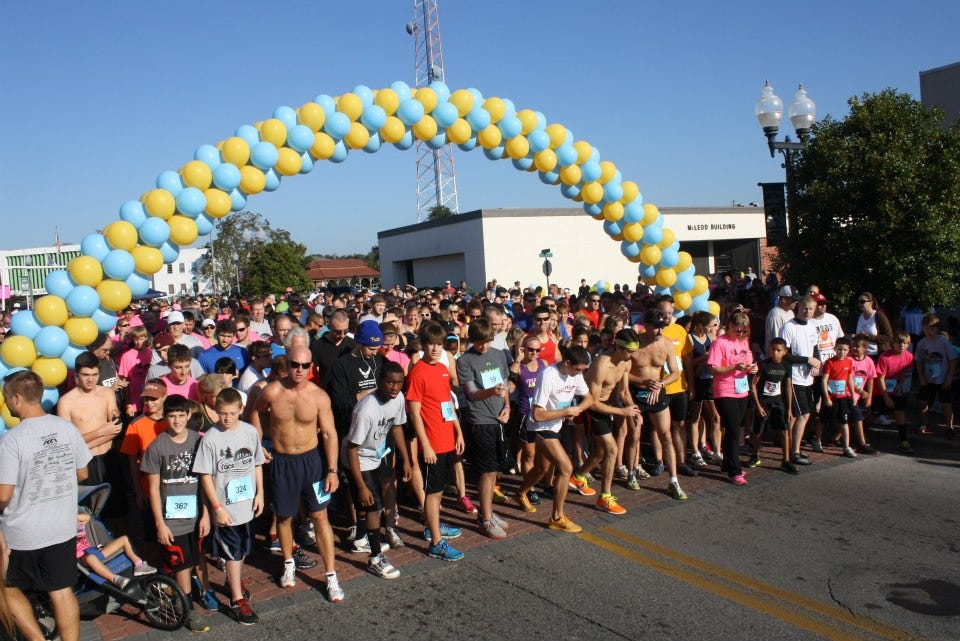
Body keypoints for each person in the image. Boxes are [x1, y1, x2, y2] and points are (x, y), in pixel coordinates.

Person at [0, 371, 92, 641]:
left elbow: (3, 495)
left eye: (7, 398)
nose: (6, 404)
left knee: (8, 589)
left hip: (23, 534)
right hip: (61, 527)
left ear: (17, 398)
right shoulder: (65, 427)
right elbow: (83, 473)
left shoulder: (12, 440)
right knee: (62, 590)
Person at [250, 346, 342, 598]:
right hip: (282, 462)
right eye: (294, 364)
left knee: (320, 516)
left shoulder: (319, 396)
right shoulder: (272, 391)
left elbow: (329, 433)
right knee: (284, 517)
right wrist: (258, 445)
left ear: (311, 367)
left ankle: (331, 575)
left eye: (304, 366)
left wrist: (332, 470)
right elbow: (255, 413)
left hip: (311, 462)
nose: (299, 370)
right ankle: (288, 564)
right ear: (287, 364)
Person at [192, 388, 265, 625]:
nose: (227, 418)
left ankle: (232, 580)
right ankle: (235, 600)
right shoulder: (210, 438)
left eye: (232, 413)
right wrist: (216, 507)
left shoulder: (250, 431)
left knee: (242, 549)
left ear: (240, 410)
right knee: (233, 552)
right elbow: (205, 475)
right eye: (222, 413)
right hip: (226, 508)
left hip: (247, 504)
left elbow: (256, 464)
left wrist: (260, 493)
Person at [140, 394, 210, 633]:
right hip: (172, 520)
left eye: (181, 415)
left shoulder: (198, 441)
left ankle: (176, 590)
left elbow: (205, 481)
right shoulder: (157, 447)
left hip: (196, 516)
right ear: (165, 417)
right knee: (181, 564)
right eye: (172, 416)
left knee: (192, 560)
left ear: (189, 415)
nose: (177, 421)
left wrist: (206, 514)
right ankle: (188, 610)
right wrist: (160, 523)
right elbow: (152, 488)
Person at [343, 361, 412, 579]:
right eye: (390, 382)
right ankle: (375, 558)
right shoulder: (366, 410)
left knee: (368, 507)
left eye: (399, 383)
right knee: (373, 507)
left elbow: (397, 426)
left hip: (377, 454)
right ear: (380, 381)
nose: (394, 387)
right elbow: (352, 449)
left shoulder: (398, 399)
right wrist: (361, 486)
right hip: (357, 459)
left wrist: (406, 459)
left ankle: (360, 540)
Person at [514, 346, 593, 532]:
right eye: (578, 369)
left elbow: (589, 398)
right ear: (567, 363)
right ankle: (556, 517)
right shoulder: (548, 375)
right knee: (566, 467)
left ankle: (521, 492)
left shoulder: (576, 374)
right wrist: (566, 411)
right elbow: (537, 414)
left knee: (542, 468)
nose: (579, 374)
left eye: (582, 370)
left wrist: (577, 410)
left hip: (555, 425)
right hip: (540, 427)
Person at [406, 323, 466, 561]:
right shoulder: (418, 372)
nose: (435, 348)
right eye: (431, 344)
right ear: (423, 344)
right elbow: (414, 412)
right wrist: (426, 445)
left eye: (439, 344)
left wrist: (458, 431)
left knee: (439, 492)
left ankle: (435, 526)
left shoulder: (442, 369)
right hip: (432, 443)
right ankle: (435, 542)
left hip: (447, 438)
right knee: (433, 493)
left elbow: (447, 404)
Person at [571, 329, 651, 502]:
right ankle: (605, 496)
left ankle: (578, 476)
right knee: (611, 449)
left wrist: (634, 410)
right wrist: (622, 411)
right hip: (590, 406)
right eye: (629, 351)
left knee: (600, 452)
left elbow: (623, 392)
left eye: (634, 351)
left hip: (605, 406)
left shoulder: (625, 363)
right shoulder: (602, 364)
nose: (632, 355)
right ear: (618, 346)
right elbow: (592, 401)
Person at [456, 318, 512, 539]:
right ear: (472, 340)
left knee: (495, 469)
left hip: (499, 418)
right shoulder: (465, 361)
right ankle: (485, 518)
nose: (485, 347)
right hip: (481, 421)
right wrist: (492, 391)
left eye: (488, 342)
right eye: (480, 343)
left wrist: (507, 406)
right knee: (486, 470)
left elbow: (505, 385)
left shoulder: (498, 354)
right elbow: (471, 394)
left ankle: (489, 510)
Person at [626, 310, 682, 495]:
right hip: (637, 392)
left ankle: (673, 480)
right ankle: (632, 473)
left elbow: (675, 372)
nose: (660, 331)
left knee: (666, 435)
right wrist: (643, 381)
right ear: (646, 326)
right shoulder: (635, 344)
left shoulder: (666, 344)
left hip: (657, 391)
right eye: (656, 327)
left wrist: (660, 384)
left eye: (662, 327)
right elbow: (624, 373)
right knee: (635, 435)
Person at [708, 310, 758, 485]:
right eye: (738, 331)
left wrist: (751, 368)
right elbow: (714, 369)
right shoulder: (719, 343)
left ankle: (728, 463)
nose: (741, 334)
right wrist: (733, 367)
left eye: (745, 331)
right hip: (724, 390)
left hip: (741, 388)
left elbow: (747, 361)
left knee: (735, 428)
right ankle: (734, 470)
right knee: (734, 429)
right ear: (729, 326)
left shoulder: (743, 341)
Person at [56, 351, 121, 485]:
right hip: (84, 462)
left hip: (109, 457)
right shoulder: (66, 401)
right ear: (76, 375)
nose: (90, 379)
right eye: (85, 375)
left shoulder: (107, 393)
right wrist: (101, 432)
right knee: (90, 504)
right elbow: (67, 442)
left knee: (117, 503)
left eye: (94, 375)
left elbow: (116, 428)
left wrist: (85, 444)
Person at [779, 296, 822, 465]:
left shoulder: (812, 326)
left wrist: (815, 364)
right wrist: (806, 360)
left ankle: (795, 449)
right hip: (794, 378)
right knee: (800, 414)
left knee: (804, 415)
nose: (808, 312)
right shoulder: (789, 327)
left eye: (811, 309)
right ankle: (792, 452)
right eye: (805, 308)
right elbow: (783, 354)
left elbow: (814, 348)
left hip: (807, 378)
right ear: (798, 307)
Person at [749, 337, 797, 474]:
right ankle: (755, 456)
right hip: (764, 402)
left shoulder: (786, 365)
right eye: (772, 349)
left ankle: (786, 460)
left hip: (778, 402)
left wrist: (789, 409)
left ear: (784, 351)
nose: (775, 353)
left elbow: (788, 387)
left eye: (778, 350)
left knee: (784, 430)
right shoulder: (763, 364)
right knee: (758, 431)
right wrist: (758, 406)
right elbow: (753, 385)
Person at [75, 512, 157, 588]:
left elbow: (87, 517)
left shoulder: (76, 524)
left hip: (94, 551)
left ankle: (139, 565)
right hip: (82, 557)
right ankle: (115, 579)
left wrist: (72, 517)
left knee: (124, 539)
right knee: (90, 558)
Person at [914, 314, 956, 436]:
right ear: (923, 328)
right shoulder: (922, 342)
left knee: (946, 403)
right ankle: (925, 422)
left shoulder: (943, 342)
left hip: (942, 378)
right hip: (928, 378)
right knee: (923, 401)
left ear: (937, 328)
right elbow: (919, 360)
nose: (929, 331)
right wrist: (921, 377)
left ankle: (950, 427)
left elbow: (953, 360)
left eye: (932, 328)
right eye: (926, 328)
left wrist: (949, 377)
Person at [877, 331, 915, 453]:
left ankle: (904, 441)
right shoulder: (884, 357)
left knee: (900, 412)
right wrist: (886, 397)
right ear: (893, 343)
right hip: (881, 389)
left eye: (905, 343)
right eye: (899, 343)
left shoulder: (909, 356)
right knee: (874, 413)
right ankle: (862, 432)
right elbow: (880, 379)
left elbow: (904, 371)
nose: (902, 345)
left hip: (895, 387)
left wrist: (899, 386)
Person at [821, 337, 858, 458]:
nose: (842, 352)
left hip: (843, 397)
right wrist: (826, 396)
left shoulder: (849, 362)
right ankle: (816, 439)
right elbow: (824, 380)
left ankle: (846, 447)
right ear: (835, 348)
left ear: (848, 350)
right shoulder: (829, 362)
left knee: (844, 421)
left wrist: (853, 395)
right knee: (823, 419)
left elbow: (850, 380)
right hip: (831, 397)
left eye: (845, 350)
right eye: (839, 349)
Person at [854, 292, 893, 359]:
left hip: (878, 354)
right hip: (863, 355)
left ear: (871, 302)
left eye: (862, 301)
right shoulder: (860, 317)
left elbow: (888, 336)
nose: (860, 304)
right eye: (859, 302)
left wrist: (869, 337)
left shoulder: (879, 316)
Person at [765, 286, 797, 350]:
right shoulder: (775, 315)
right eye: (793, 300)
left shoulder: (790, 312)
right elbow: (775, 341)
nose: (796, 302)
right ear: (783, 299)